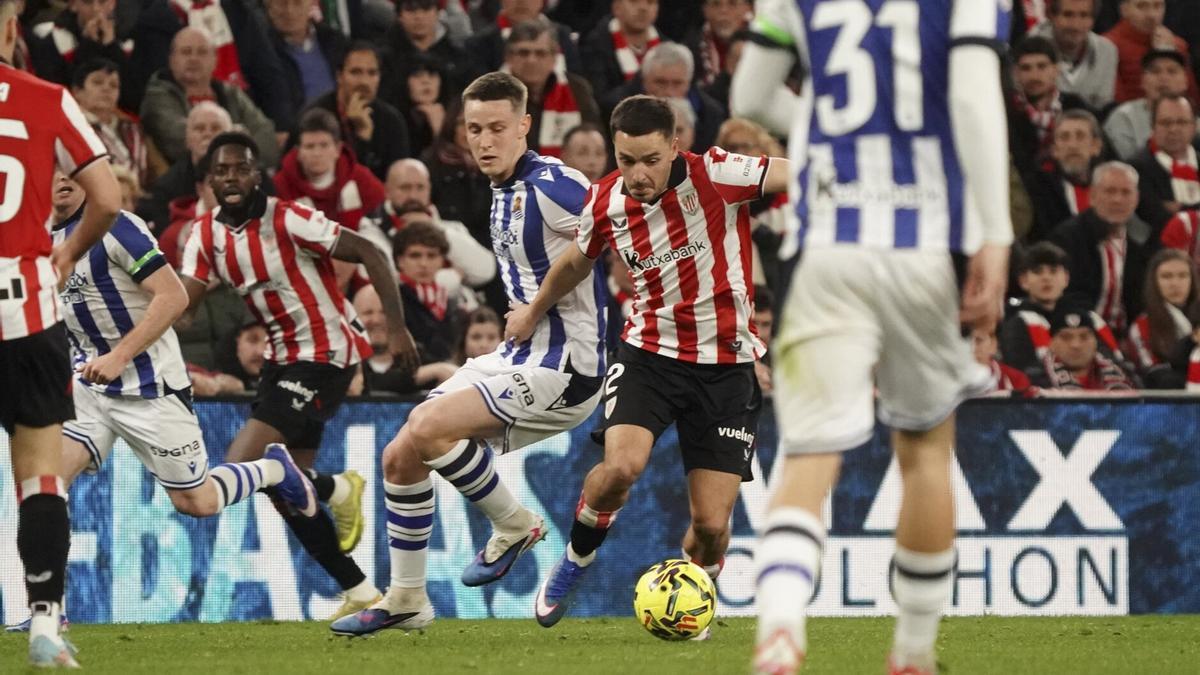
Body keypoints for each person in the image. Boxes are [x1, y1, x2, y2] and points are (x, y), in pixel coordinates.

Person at [732, 1, 1015, 673]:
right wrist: (996, 230)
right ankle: (914, 652)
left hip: (828, 247)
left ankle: (778, 632)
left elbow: (750, 96)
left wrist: (830, 135)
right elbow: (974, 97)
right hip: (923, 244)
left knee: (808, 453)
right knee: (924, 446)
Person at [329, 71, 606, 637]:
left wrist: (537, 309)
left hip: (568, 367)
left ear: (525, 126)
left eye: (498, 128)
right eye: (474, 128)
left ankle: (514, 524)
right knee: (400, 455)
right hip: (518, 354)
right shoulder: (502, 188)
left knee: (430, 428)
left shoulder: (558, 185)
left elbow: (608, 238)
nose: (484, 141)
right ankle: (407, 599)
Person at [505, 94, 790, 631]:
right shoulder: (606, 200)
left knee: (710, 526)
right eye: (626, 160)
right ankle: (574, 561)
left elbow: (796, 172)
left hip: (727, 368)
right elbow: (574, 260)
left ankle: (688, 597)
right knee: (621, 468)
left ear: (674, 146)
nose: (637, 174)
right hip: (650, 356)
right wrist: (531, 311)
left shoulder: (720, 174)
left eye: (650, 161)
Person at [179, 131, 420, 622]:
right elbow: (180, 304)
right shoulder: (204, 236)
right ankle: (357, 586)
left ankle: (336, 491)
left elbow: (371, 252)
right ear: (207, 181)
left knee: (241, 462)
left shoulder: (289, 218)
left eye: (240, 168)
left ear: (256, 174)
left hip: (328, 355)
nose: (231, 178)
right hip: (280, 360)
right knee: (284, 489)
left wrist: (396, 330)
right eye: (221, 171)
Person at [0, 0, 123, 665]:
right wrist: (70, 250)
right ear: (13, 28)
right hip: (25, 307)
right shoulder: (46, 97)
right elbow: (106, 196)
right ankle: (45, 620)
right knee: (40, 477)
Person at [139, 27, 279, 168]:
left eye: (202, 52)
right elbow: (178, 139)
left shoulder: (231, 93)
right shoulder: (158, 96)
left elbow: (266, 137)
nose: (193, 59)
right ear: (172, 60)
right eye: (186, 52)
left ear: (215, 59)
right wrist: (238, 139)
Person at [1050, 161, 1156, 336]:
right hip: (1079, 333)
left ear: (1136, 199)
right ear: (1092, 196)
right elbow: (1068, 298)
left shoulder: (1142, 244)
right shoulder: (1067, 238)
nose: (1117, 199)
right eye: (1110, 191)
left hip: (1127, 337)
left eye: (1125, 192)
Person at [358, 157, 496, 291]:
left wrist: (434, 229)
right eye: (405, 188)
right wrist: (452, 278)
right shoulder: (371, 229)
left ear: (429, 189)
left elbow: (485, 272)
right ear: (387, 191)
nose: (413, 196)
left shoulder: (448, 224)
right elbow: (388, 283)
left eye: (420, 187)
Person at [999, 241, 1124, 379]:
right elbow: (1020, 372)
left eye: (1053, 271)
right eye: (1037, 271)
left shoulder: (1090, 318)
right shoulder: (1016, 322)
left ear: (1066, 278)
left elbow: (1116, 364)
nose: (1046, 278)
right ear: (1023, 281)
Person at [304, 41, 410, 181]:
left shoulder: (392, 120)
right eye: (356, 72)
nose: (364, 82)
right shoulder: (314, 117)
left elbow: (399, 180)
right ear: (339, 76)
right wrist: (362, 137)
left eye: (372, 73)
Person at [600, 42, 728, 153]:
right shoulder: (615, 109)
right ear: (644, 79)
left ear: (688, 82)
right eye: (660, 82)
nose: (669, 92)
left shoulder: (711, 114)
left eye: (677, 83)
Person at [274, 107, 386, 233]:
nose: (317, 153)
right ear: (298, 151)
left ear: (338, 149)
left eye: (324, 145)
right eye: (309, 146)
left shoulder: (361, 179)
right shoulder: (281, 185)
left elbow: (384, 221)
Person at [504, 18, 602, 158]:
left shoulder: (576, 89)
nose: (531, 60)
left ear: (554, 58)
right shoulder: (492, 92)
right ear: (508, 57)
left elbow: (596, 140)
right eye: (523, 53)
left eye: (540, 53)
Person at [1007, 36, 1092, 175]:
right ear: (1016, 74)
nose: (1034, 76)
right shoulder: (1006, 112)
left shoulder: (1075, 106)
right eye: (1026, 68)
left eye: (1042, 66)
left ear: (1056, 69)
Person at [1020, 109, 1106, 242]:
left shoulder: (1111, 188)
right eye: (1064, 137)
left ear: (1096, 146)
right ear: (1054, 150)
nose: (1072, 145)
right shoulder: (1036, 189)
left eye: (1080, 136)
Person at [353, 285, 456, 394]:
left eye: (384, 312)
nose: (377, 320)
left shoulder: (421, 358)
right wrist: (428, 373)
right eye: (368, 313)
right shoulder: (346, 364)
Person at [28, 0, 133, 98]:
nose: (95, 9)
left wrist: (111, 46)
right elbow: (58, 90)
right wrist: (88, 45)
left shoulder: (129, 37)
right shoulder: (53, 40)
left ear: (112, 4)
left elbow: (131, 95)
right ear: (73, 4)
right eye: (87, 2)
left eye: (102, 1)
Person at [1127, 248, 1200, 387]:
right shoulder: (1142, 325)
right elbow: (1154, 376)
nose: (1175, 284)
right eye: (1167, 276)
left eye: (1183, 275)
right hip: (1167, 402)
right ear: (1154, 282)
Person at [1128, 95, 1200, 233]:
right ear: (1152, 126)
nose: (1173, 129)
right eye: (1166, 123)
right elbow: (1159, 219)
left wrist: (1179, 208)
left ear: (1194, 126)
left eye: (1182, 122)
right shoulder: (1136, 168)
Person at [1104, 48, 1193, 160]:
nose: (1163, 78)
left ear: (1185, 81)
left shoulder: (1196, 122)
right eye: (1155, 71)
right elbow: (1128, 165)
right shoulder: (1123, 118)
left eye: (1172, 71)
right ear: (1143, 81)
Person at [1028, 0, 1118, 110]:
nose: (1076, 25)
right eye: (1068, 14)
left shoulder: (1107, 50)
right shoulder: (1031, 47)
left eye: (1084, 15)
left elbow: (1103, 107)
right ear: (1051, 16)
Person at [1104, 0, 1199, 104]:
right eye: (1141, 6)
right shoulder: (1108, 45)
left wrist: (1170, 52)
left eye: (1158, 6)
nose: (1151, 15)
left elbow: (1192, 99)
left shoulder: (1178, 45)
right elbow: (1114, 102)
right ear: (1124, 10)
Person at [70, 58, 147, 186]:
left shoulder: (131, 127)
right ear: (77, 91)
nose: (106, 88)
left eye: (113, 85)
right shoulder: (73, 129)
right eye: (97, 82)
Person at [265, 0, 347, 116]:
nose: (289, 11)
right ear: (269, 8)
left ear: (311, 4)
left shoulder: (333, 41)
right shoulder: (263, 51)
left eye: (297, 2)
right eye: (281, 3)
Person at [1036, 301, 1138, 389]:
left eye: (1084, 337)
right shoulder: (1035, 381)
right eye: (1066, 337)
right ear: (1051, 344)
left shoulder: (1126, 374)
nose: (1076, 345)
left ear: (1095, 342)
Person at [580, 0, 661, 102]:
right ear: (616, 7)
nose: (643, 8)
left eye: (650, 2)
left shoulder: (666, 47)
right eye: (634, 1)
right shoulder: (594, 46)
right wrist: (644, 78)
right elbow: (599, 101)